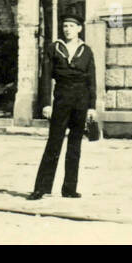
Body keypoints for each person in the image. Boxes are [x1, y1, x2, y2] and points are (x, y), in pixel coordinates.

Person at [28, 15, 95, 200]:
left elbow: (92, 80)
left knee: (75, 145)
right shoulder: (54, 48)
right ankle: (41, 188)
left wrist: (92, 106)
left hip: (81, 101)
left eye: (72, 26)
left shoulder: (87, 51)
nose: (67, 29)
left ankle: (69, 189)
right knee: (54, 143)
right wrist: (46, 104)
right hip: (61, 99)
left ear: (79, 29)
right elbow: (46, 78)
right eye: (65, 26)